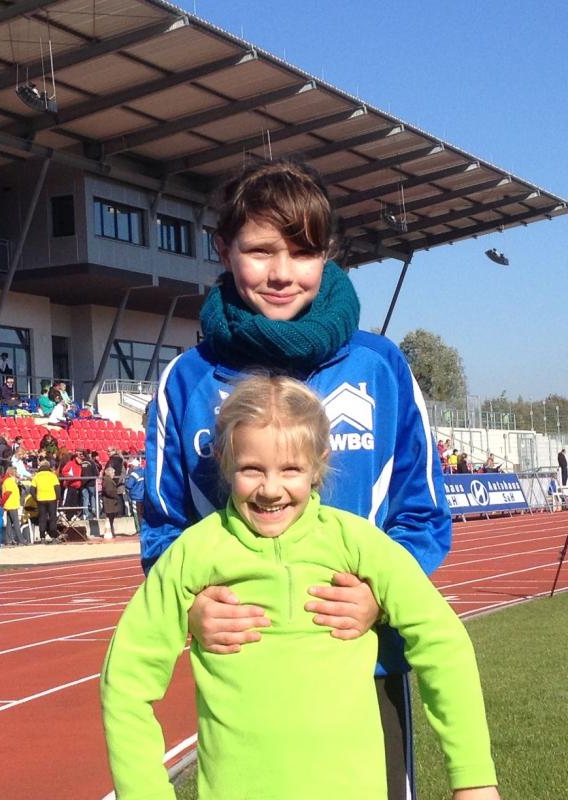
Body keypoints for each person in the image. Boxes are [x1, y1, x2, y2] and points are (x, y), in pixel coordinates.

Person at [140, 159, 451, 799]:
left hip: (365, 664)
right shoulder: (186, 381)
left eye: (303, 252)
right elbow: (163, 529)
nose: (282, 272)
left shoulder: (381, 366)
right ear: (223, 249)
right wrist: (192, 607)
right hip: (248, 679)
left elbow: (422, 515)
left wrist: (380, 595)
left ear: (327, 254)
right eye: (260, 251)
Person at [103, 376, 498, 800]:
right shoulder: (193, 554)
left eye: (290, 469)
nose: (271, 489)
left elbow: (443, 644)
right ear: (223, 460)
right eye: (252, 469)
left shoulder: (358, 544)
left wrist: (473, 778)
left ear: (318, 463)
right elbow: (126, 682)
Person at [32, 460, 61, 543]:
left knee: (42, 518)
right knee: (52, 518)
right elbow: (57, 488)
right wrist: (57, 498)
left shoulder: (36, 476)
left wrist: (36, 498)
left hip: (41, 499)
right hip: (52, 499)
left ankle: (42, 538)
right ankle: (54, 537)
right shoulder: (52, 475)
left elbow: (32, 490)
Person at [0, 466, 25, 546]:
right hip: (11, 504)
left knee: (9, 523)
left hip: (10, 504)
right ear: (12, 473)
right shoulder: (9, 481)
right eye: (15, 472)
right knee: (16, 523)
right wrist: (1, 503)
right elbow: (8, 493)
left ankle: (8, 540)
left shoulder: (9, 480)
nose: (17, 473)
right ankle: (21, 540)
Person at [124, 457, 145, 531]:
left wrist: (126, 482)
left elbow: (129, 485)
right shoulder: (144, 472)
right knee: (143, 513)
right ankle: (144, 529)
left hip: (136, 496)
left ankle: (139, 529)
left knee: (136, 514)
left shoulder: (134, 474)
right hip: (144, 496)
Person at [101, 467, 121, 538]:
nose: (114, 474)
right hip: (109, 502)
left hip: (111, 502)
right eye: (113, 473)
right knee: (110, 518)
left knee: (111, 519)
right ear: (109, 473)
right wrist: (116, 496)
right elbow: (108, 491)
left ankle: (112, 532)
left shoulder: (108, 480)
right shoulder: (107, 480)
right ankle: (111, 532)